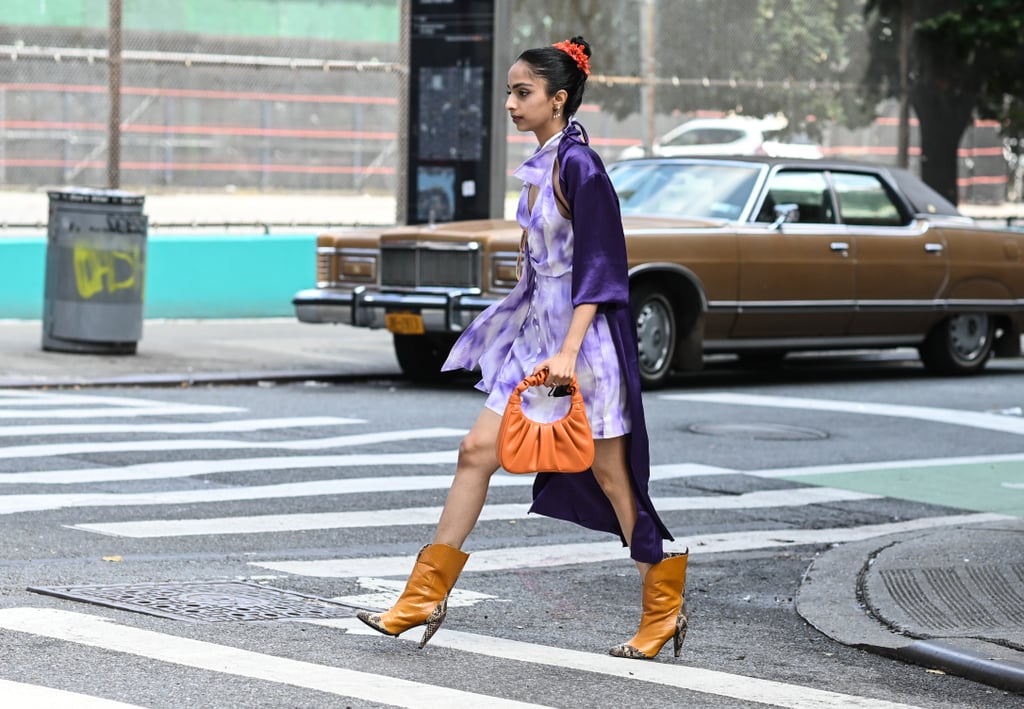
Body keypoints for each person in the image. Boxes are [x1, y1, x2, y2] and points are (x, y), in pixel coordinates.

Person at [356, 36, 687, 660]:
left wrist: (568, 351)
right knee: (475, 451)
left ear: (558, 99)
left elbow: (602, 265)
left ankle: (662, 609)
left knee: (615, 480)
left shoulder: (580, 166)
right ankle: (423, 596)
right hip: (536, 340)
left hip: (581, 350)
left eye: (523, 92)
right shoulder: (545, 163)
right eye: (510, 91)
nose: (510, 102)